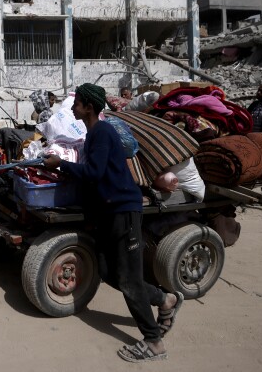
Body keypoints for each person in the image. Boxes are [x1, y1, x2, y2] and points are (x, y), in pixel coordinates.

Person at [43, 83, 182, 363]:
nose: (73, 107)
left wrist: (60, 164)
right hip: (108, 213)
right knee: (107, 272)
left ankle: (154, 343)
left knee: (129, 280)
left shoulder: (103, 133)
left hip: (123, 211)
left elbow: (94, 173)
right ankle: (165, 299)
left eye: (78, 103)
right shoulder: (94, 134)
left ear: (90, 108)